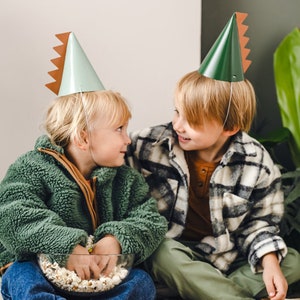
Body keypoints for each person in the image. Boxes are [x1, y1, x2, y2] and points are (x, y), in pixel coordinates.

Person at [126, 12, 300, 300]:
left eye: (192, 120)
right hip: (175, 253)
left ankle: (202, 290)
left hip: (228, 258)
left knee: (289, 259)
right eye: (177, 111)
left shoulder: (256, 161)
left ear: (229, 127)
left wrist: (269, 262)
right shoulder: (148, 145)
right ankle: (222, 293)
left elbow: (261, 224)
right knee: (161, 250)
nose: (178, 125)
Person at [0, 32, 167, 300]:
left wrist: (116, 239)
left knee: (141, 282)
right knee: (20, 276)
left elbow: (150, 220)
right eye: (119, 129)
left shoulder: (127, 180)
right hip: (43, 270)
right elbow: (13, 215)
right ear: (83, 137)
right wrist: (66, 247)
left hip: (100, 278)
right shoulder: (31, 168)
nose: (128, 139)